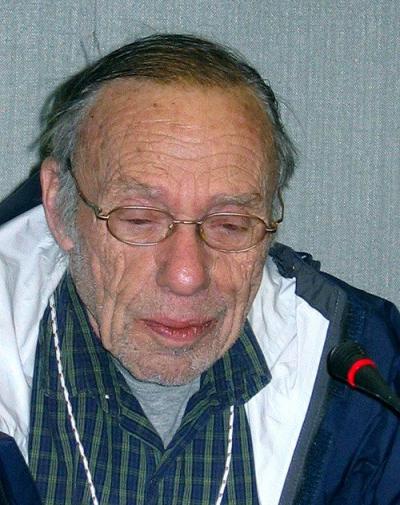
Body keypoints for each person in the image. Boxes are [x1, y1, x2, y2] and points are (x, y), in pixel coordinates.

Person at [0, 33, 399, 505]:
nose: (187, 276)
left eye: (230, 224)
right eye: (140, 220)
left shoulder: (372, 377)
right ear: (58, 205)